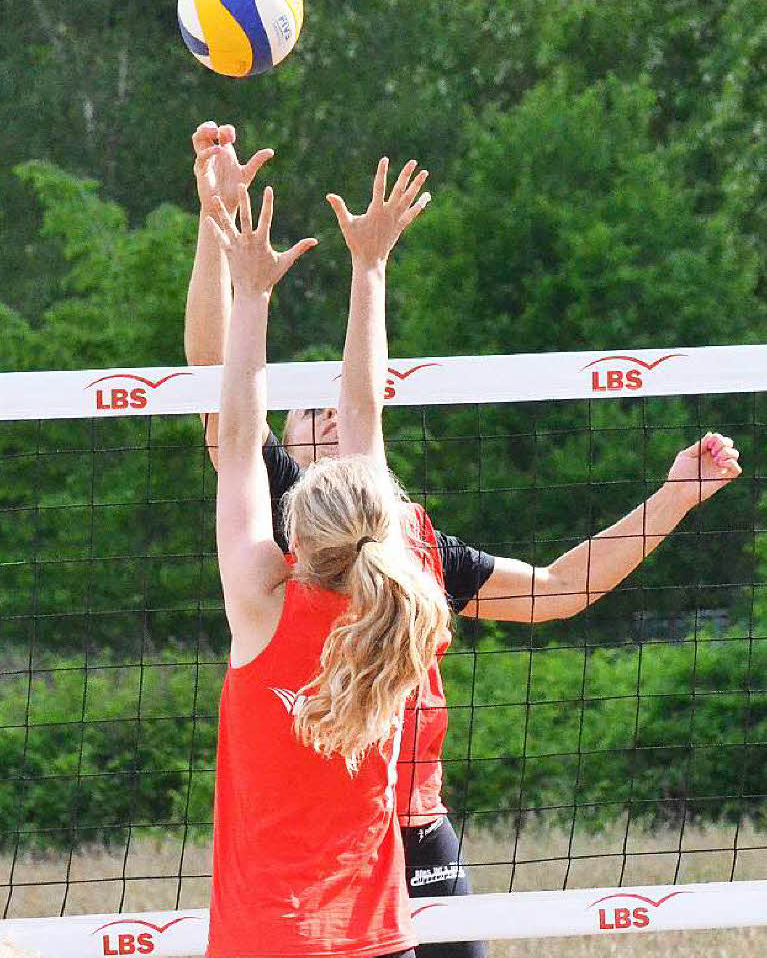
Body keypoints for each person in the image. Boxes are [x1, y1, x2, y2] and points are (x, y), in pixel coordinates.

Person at [186, 125, 742, 958]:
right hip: (351, 856)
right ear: (291, 460)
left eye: (340, 403)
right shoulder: (327, 532)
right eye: (311, 408)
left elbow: (557, 588)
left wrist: (672, 498)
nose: (334, 411)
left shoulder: (389, 547)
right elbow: (224, 395)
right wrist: (240, 232)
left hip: (408, 830)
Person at [206, 173, 449, 958]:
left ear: (294, 534)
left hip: (262, 941)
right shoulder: (398, 611)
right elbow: (364, 413)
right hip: (376, 939)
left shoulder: (260, 603)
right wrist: (370, 268)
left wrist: (251, 296)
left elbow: (240, 436)